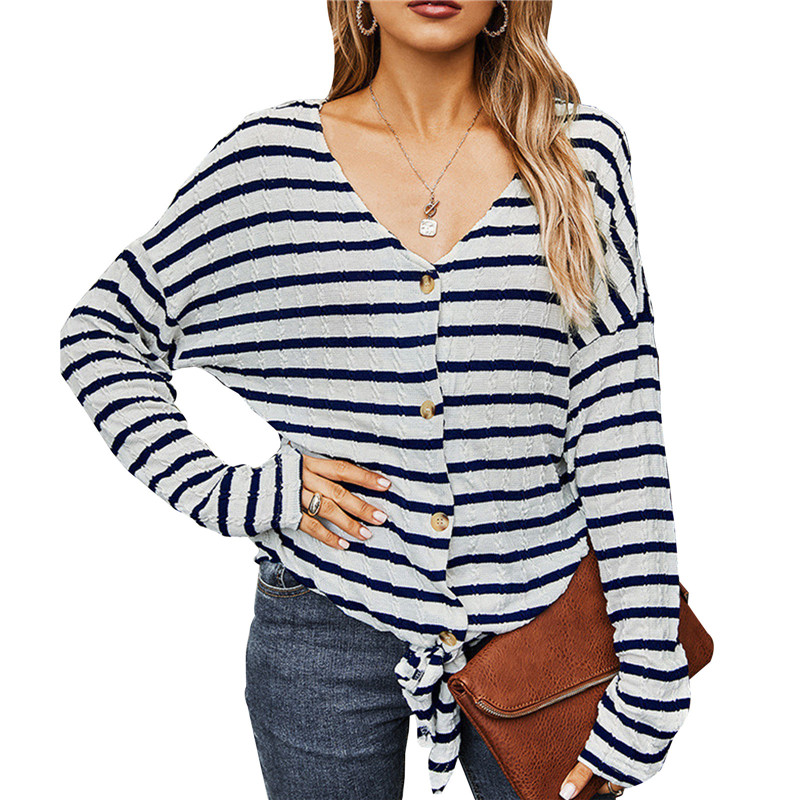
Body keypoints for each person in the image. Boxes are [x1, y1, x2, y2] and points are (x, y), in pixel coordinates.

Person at [58, 2, 692, 799]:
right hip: (322, 627)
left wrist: (653, 667)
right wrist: (231, 494)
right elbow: (103, 332)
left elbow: (621, 427)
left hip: (549, 623)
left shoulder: (577, 153)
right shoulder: (270, 163)